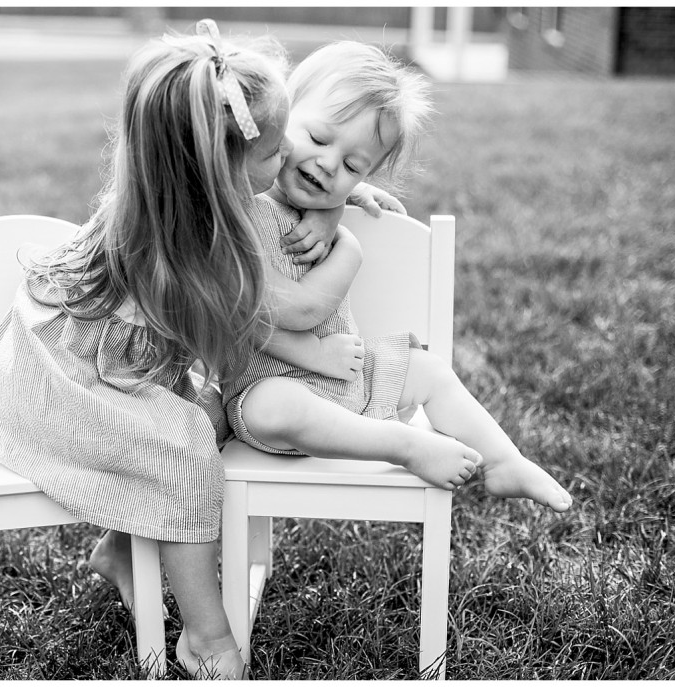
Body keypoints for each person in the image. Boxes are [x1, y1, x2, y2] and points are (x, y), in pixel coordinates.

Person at [0, 20, 369, 679]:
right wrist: (346, 245)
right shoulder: (183, 244)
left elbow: (281, 193)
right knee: (187, 445)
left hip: (101, 372)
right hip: (58, 390)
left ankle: (122, 551)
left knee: (208, 413)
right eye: (273, 154)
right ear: (224, 170)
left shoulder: (173, 195)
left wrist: (339, 205)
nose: (287, 162)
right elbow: (276, 317)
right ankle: (206, 635)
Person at [224, 41, 574, 511]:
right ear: (280, 122)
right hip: (265, 394)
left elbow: (317, 190)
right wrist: (319, 343)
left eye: (353, 166)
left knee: (428, 370)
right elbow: (260, 313)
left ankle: (502, 460)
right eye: (320, 139)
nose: (329, 165)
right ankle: (402, 445)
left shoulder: (324, 204)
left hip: (350, 385)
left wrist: (336, 207)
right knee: (278, 404)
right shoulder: (237, 206)